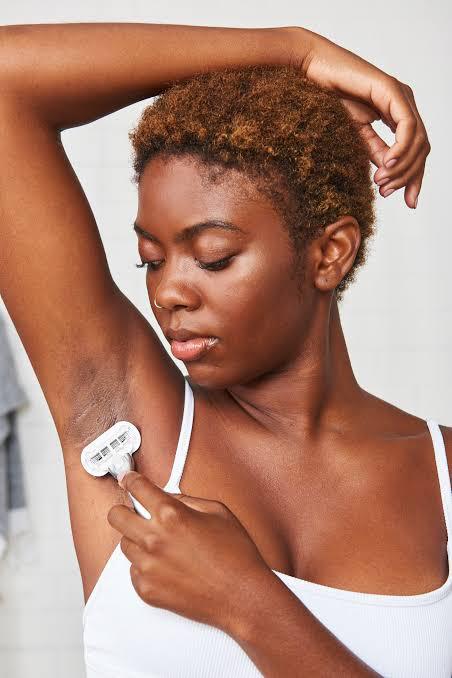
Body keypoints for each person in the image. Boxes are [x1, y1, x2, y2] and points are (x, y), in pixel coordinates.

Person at [0, 21, 449, 678]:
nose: (168, 293)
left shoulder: (443, 479)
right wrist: (293, 50)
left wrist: (246, 601)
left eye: (212, 258)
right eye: (151, 260)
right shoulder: (127, 419)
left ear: (330, 253)